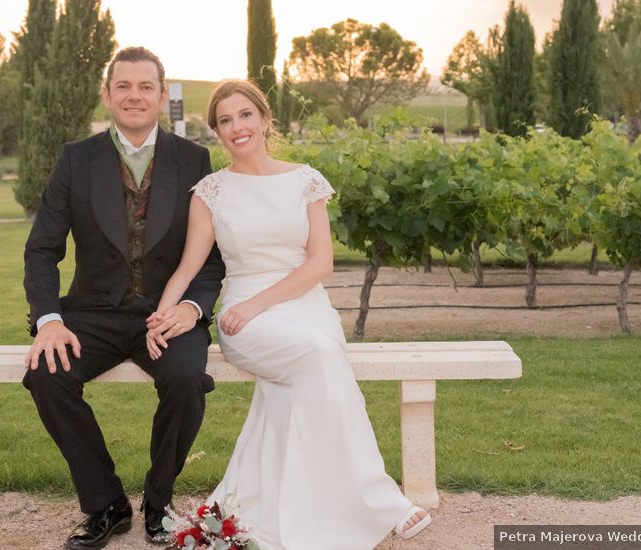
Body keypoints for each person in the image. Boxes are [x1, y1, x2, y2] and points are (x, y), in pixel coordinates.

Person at [147, 80, 432, 549]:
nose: (236, 127)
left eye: (244, 115)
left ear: (264, 119)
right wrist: (162, 315)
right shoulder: (211, 191)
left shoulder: (305, 180)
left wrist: (261, 302)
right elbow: (188, 268)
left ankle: (304, 501)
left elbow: (321, 263)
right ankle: (384, 504)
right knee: (321, 357)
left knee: (316, 358)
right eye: (224, 120)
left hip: (301, 304)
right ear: (217, 131)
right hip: (244, 318)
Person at [22, 47, 225, 550]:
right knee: (47, 375)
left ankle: (159, 503)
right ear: (108, 94)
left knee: (185, 380)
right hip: (91, 313)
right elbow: (42, 250)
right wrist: (49, 319)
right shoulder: (76, 159)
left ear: (161, 95)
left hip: (168, 312)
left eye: (145, 87)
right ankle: (105, 504)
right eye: (124, 86)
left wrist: (191, 308)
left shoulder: (193, 159)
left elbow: (213, 258)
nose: (134, 95)